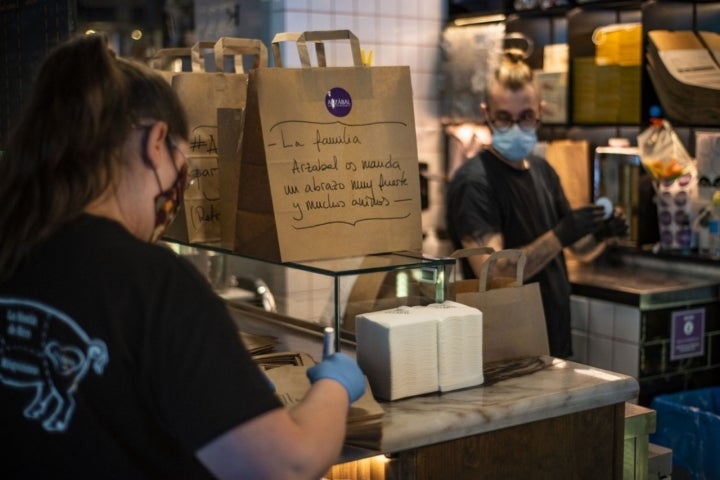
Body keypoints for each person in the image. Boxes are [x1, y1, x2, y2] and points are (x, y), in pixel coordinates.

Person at [0, 34, 366, 479]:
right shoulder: (153, 284)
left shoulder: (14, 249)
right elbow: (287, 465)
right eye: (183, 166)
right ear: (156, 143)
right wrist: (334, 385)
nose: (180, 187)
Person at [446, 50, 627, 359]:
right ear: (486, 113)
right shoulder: (474, 183)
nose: (516, 127)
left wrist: (600, 232)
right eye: (504, 118)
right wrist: (561, 234)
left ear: (541, 111)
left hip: (553, 343)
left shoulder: (543, 171)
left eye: (526, 116)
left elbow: (576, 249)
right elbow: (494, 274)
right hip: (507, 351)